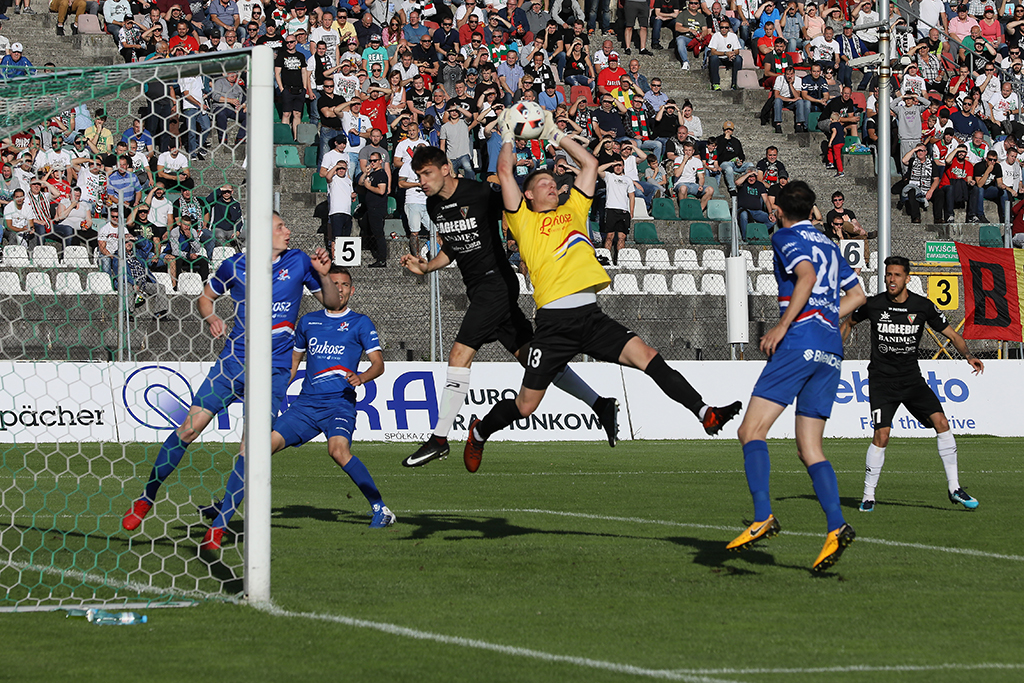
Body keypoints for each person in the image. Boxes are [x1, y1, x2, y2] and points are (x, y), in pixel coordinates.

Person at [460, 114, 743, 471]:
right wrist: (506, 133)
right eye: (544, 183)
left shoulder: (574, 208)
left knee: (649, 357)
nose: (552, 186)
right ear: (528, 194)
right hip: (553, 326)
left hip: (591, 317)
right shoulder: (523, 219)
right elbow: (504, 172)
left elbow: (590, 164)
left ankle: (705, 413)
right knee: (526, 406)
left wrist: (555, 133)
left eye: (553, 182)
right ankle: (480, 432)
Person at [121, 213, 340, 551]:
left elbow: (333, 303)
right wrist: (211, 317)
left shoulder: (298, 261)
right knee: (189, 429)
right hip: (234, 361)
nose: (288, 231)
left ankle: (218, 528)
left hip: (274, 369)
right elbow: (204, 298)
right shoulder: (234, 266)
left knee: (250, 449)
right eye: (281, 227)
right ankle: (146, 497)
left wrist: (324, 276)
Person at [400, 145, 620, 468]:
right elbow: (454, 246)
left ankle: (439, 439)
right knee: (536, 361)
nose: (422, 181)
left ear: (446, 168)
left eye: (426, 174)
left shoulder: (480, 193)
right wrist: (429, 266)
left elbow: (519, 210)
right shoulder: (435, 206)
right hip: (480, 291)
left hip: (496, 285)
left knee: (459, 354)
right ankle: (599, 403)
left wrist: (533, 250)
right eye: (419, 176)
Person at [726, 180, 866, 572]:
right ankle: (836, 526)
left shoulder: (785, 236)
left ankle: (762, 517)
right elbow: (857, 297)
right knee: (809, 448)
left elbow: (805, 276)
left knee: (750, 431)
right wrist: (825, 315)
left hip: (799, 341)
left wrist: (783, 325)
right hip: (830, 348)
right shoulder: (830, 245)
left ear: (777, 210)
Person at [204, 266, 396, 543]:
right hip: (305, 407)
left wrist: (362, 377)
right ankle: (226, 507)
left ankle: (381, 509)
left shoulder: (360, 323)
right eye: (334, 283)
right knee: (257, 449)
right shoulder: (308, 322)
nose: (339, 288)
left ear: (352, 290)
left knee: (338, 451)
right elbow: (292, 364)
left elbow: (378, 364)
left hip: (338, 405)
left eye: (344, 284)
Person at [840, 256, 983, 513]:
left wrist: (968, 355)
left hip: (912, 380)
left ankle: (954, 488)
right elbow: (848, 322)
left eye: (896, 275)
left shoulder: (922, 306)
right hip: (882, 382)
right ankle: (868, 495)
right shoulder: (873, 305)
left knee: (942, 423)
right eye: (888, 274)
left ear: (907, 278)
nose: (891, 279)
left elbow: (951, 334)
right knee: (882, 435)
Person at [598, 157, 633, 264]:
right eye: (616, 165)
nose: (618, 167)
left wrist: (631, 211)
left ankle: (620, 261)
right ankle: (606, 260)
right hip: (611, 210)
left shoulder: (628, 179)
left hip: (624, 211)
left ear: (623, 166)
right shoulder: (609, 176)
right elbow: (598, 170)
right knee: (609, 236)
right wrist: (611, 163)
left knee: (622, 237)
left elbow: (632, 196)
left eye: (620, 165)